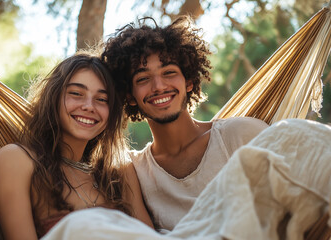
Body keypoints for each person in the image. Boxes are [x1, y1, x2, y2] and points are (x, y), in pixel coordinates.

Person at [101, 16, 270, 231]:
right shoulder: (134, 171)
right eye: (143, 79)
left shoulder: (240, 135)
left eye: (169, 72)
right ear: (130, 96)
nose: (158, 86)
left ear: (189, 82)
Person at [0, 53, 153, 239]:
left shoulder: (119, 172)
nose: (89, 106)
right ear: (53, 98)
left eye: (102, 99)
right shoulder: (18, 160)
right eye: (76, 94)